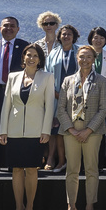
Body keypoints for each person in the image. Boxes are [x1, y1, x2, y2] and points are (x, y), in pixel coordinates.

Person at [0, 44, 54, 210]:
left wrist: (46, 130)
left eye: (35, 55)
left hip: (35, 132)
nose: (31, 58)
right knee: (16, 170)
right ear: (23, 57)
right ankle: (18, 207)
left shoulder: (47, 77)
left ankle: (29, 207)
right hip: (13, 131)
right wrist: (3, 130)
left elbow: (50, 106)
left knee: (31, 170)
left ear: (40, 59)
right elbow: (6, 105)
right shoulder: (13, 77)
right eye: (28, 55)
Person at [58, 45, 106, 210]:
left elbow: (103, 109)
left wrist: (88, 130)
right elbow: (61, 108)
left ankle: (89, 206)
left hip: (92, 132)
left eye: (88, 57)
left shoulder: (101, 81)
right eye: (82, 56)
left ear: (94, 59)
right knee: (71, 170)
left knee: (91, 170)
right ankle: (71, 207)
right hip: (70, 131)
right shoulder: (67, 81)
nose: (85, 60)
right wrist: (71, 130)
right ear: (76, 58)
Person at [0, 17, 28, 173]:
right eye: (6, 26)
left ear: (18, 29)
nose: (9, 28)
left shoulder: (25, 47)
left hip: (16, 92)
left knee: (13, 126)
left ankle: (11, 161)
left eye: (12, 26)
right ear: (0, 27)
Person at [44, 23, 80, 172]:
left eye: (69, 34)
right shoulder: (53, 53)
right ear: (59, 37)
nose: (66, 37)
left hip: (75, 97)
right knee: (54, 129)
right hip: (56, 96)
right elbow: (47, 73)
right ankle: (52, 158)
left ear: (74, 37)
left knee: (71, 129)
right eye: (63, 34)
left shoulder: (79, 52)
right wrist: (54, 92)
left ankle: (68, 161)